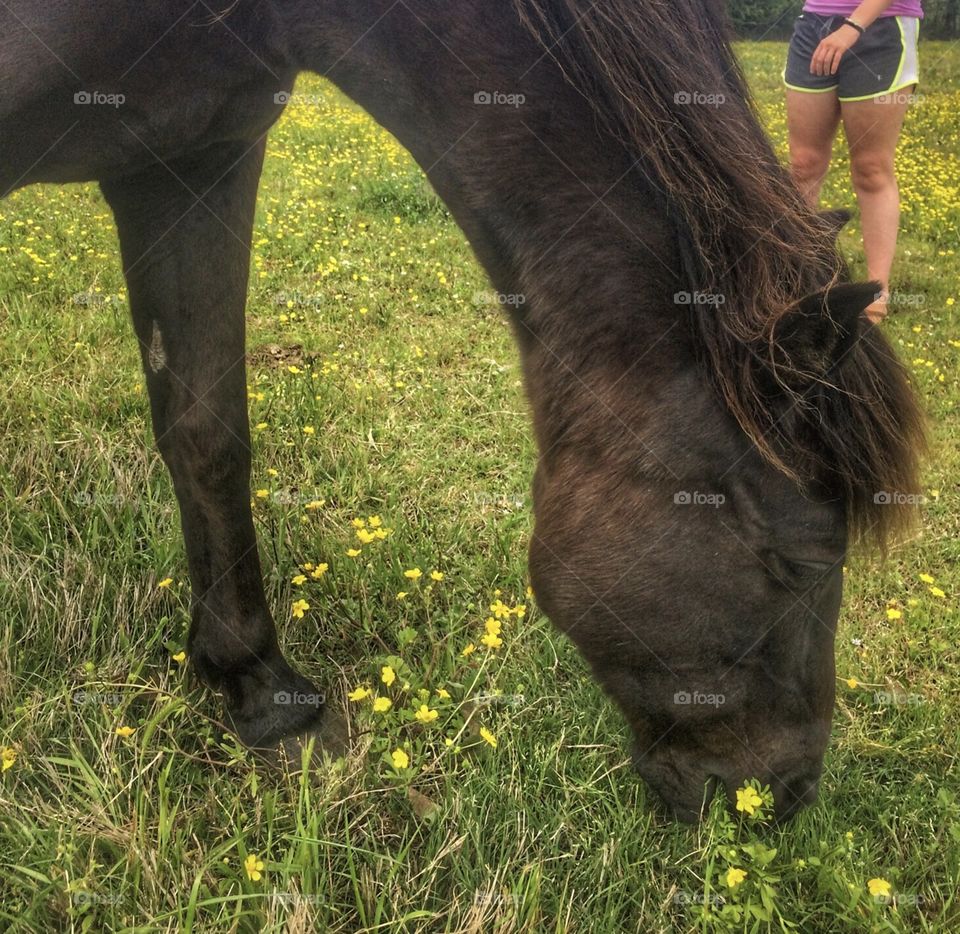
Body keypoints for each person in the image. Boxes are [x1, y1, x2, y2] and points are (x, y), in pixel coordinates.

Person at [784, 0, 922, 322]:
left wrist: (853, 26)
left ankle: (875, 296)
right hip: (815, 25)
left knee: (871, 168)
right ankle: (794, 278)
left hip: (882, 27)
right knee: (803, 164)